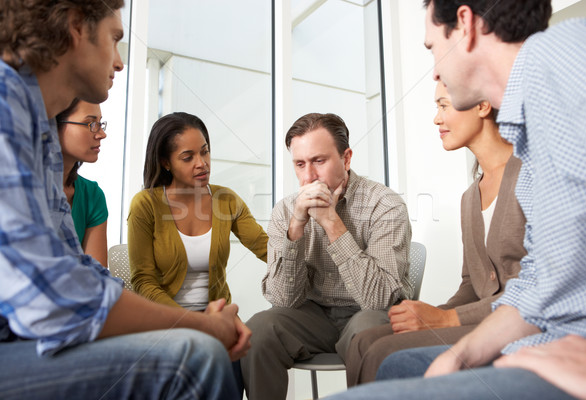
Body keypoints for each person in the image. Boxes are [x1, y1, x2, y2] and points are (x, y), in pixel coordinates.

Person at [328, 0, 586, 398]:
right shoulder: (532, 133)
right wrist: (459, 356)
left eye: (432, 48)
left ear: (464, 24)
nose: (436, 69)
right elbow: (540, 280)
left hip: (576, 347)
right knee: (402, 364)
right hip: (548, 342)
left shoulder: (566, 57)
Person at [0, 1, 249, 399]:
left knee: (203, 347)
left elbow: (76, 266)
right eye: (115, 39)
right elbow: (54, 297)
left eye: (204, 152)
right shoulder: (4, 100)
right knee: (193, 356)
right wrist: (196, 324)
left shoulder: (39, 126)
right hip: (15, 338)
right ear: (76, 26)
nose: (119, 61)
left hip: (22, 334)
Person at [345, 81, 525, 386]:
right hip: (477, 317)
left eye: (443, 105)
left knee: (383, 353)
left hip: (514, 322)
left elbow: (539, 287)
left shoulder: (529, 175)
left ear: (482, 106)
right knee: (362, 342)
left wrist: (445, 320)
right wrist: (428, 313)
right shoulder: (470, 197)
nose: (436, 118)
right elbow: (472, 284)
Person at [241, 112, 412, 399]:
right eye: (300, 164)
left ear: (346, 158)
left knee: (366, 332)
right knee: (257, 330)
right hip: (314, 315)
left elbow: (379, 299)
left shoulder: (385, 204)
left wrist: (332, 223)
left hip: (370, 313)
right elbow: (283, 301)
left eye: (319, 161)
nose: (308, 176)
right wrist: (295, 228)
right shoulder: (285, 211)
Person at [128, 111, 269, 311]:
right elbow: (143, 281)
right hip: (164, 320)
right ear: (165, 162)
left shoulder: (226, 200)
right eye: (188, 157)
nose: (202, 163)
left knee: (260, 340)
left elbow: (266, 249)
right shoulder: (145, 204)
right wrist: (196, 322)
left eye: (205, 151)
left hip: (217, 316)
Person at [57, 99, 109, 266]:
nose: (101, 133)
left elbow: (96, 278)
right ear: (53, 126)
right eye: (90, 123)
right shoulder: (21, 190)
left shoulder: (92, 195)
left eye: (100, 124)